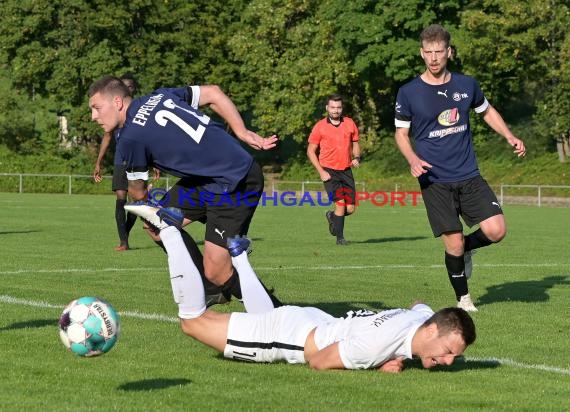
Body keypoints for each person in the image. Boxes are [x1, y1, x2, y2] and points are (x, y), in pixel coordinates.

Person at [123, 202, 476, 372]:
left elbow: (418, 303)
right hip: (292, 338)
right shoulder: (374, 346)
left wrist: (399, 354)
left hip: (310, 319)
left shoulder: (422, 320)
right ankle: (168, 228)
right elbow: (319, 362)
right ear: (431, 330)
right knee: (191, 322)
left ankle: (240, 258)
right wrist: (380, 360)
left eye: (452, 357)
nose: (446, 361)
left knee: (265, 316)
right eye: (447, 351)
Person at [88, 75, 280, 307]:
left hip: (234, 179)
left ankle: (282, 315)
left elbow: (138, 193)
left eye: (97, 108)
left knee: (217, 270)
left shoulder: (130, 138)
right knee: (156, 226)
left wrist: (141, 191)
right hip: (208, 178)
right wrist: (241, 131)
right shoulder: (159, 95)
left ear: (117, 102)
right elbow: (213, 92)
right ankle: (211, 290)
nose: (93, 117)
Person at [394, 24, 526, 312]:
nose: (433, 57)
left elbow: (487, 111)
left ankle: (469, 248)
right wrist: (413, 160)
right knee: (452, 244)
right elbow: (401, 134)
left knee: (496, 230)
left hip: (468, 174)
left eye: (439, 51)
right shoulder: (408, 92)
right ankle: (464, 299)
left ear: (449, 52)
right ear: (421, 53)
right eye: (428, 52)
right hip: (434, 180)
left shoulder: (467, 85)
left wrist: (509, 136)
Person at [93, 73, 141, 251]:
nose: (128, 89)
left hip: (138, 160)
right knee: (121, 198)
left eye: (131, 87)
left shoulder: (139, 109)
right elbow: (107, 135)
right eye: (126, 86)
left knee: (137, 201)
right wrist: (99, 161)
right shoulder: (114, 110)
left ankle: (125, 233)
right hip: (121, 160)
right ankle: (124, 242)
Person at [307, 94, 360, 245]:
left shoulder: (350, 123)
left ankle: (332, 216)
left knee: (350, 209)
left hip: (346, 170)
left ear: (341, 108)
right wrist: (321, 172)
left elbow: (355, 142)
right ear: (327, 108)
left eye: (338, 107)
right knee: (341, 204)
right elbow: (310, 151)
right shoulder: (319, 126)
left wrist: (356, 157)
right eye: (332, 107)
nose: (335, 110)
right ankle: (340, 238)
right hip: (329, 170)